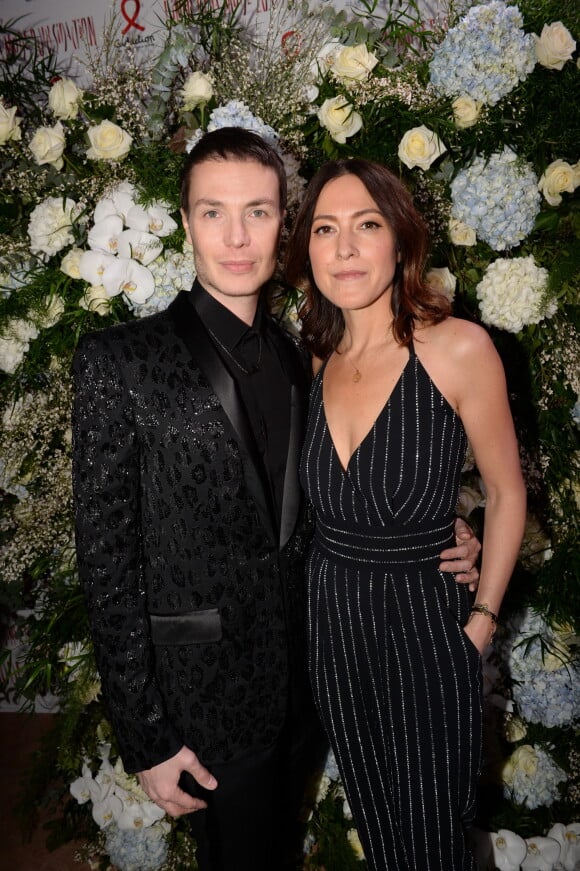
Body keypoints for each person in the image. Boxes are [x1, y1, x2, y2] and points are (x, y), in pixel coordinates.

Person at [71, 130, 481, 871]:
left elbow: (338, 492)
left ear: (282, 224)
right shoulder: (118, 361)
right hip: (204, 705)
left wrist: (443, 528)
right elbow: (105, 563)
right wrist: (146, 735)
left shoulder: (306, 355)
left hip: (312, 682)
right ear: (185, 220)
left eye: (257, 212)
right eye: (213, 212)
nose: (236, 237)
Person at [285, 158, 526, 871]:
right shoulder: (315, 357)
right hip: (334, 626)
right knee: (386, 840)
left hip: (425, 626)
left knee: (431, 842)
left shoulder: (459, 348)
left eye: (367, 225)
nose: (346, 247)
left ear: (401, 240)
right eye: (326, 229)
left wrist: (479, 622)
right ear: (309, 252)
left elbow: (508, 491)